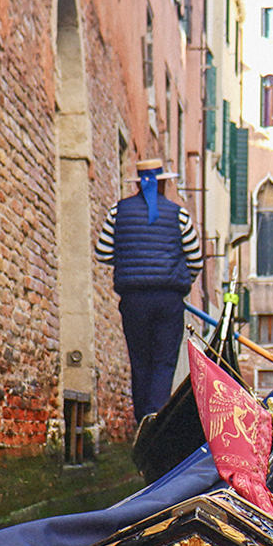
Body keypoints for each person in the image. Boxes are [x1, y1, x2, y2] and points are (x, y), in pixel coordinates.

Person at [95, 158, 204, 424]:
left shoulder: (118, 212)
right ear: (164, 182)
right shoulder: (179, 214)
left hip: (133, 300)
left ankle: (142, 419)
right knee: (164, 363)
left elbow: (103, 252)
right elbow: (196, 261)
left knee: (140, 362)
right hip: (169, 299)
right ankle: (155, 418)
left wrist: (129, 262)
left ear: (137, 184)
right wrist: (179, 280)